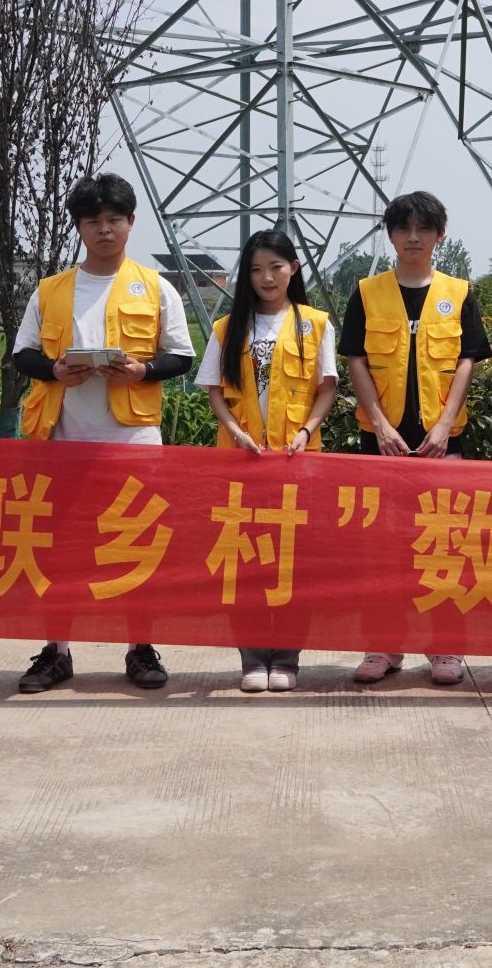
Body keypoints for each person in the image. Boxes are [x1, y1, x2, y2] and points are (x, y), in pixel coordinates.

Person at [10, 173, 197, 694]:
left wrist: (142, 371)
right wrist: (54, 370)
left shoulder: (155, 286)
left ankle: (141, 647)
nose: (104, 230)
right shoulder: (50, 289)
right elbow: (23, 353)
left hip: (132, 438)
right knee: (58, 547)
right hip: (62, 436)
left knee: (138, 541)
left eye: (115, 219)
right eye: (93, 221)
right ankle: (56, 651)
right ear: (79, 227)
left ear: (132, 223)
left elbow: (181, 356)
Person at [339, 191, 491, 687]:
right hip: (380, 442)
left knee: (446, 543)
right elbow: (356, 360)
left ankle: (446, 646)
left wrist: (445, 424)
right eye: (403, 228)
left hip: (443, 442)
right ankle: (383, 645)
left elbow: (467, 360)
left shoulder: (459, 293)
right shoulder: (367, 293)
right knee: (382, 550)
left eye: (424, 228)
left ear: (439, 235)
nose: (413, 237)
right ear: (390, 235)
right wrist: (379, 424)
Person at [196, 227, 338, 693]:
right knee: (245, 563)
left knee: (294, 564)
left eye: (276, 267)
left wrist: (305, 432)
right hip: (241, 464)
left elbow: (327, 388)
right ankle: (253, 658)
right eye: (256, 270)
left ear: (293, 268)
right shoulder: (228, 327)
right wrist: (235, 431)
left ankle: (288, 659)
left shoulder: (315, 324)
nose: (267, 278)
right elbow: (214, 391)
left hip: (297, 462)